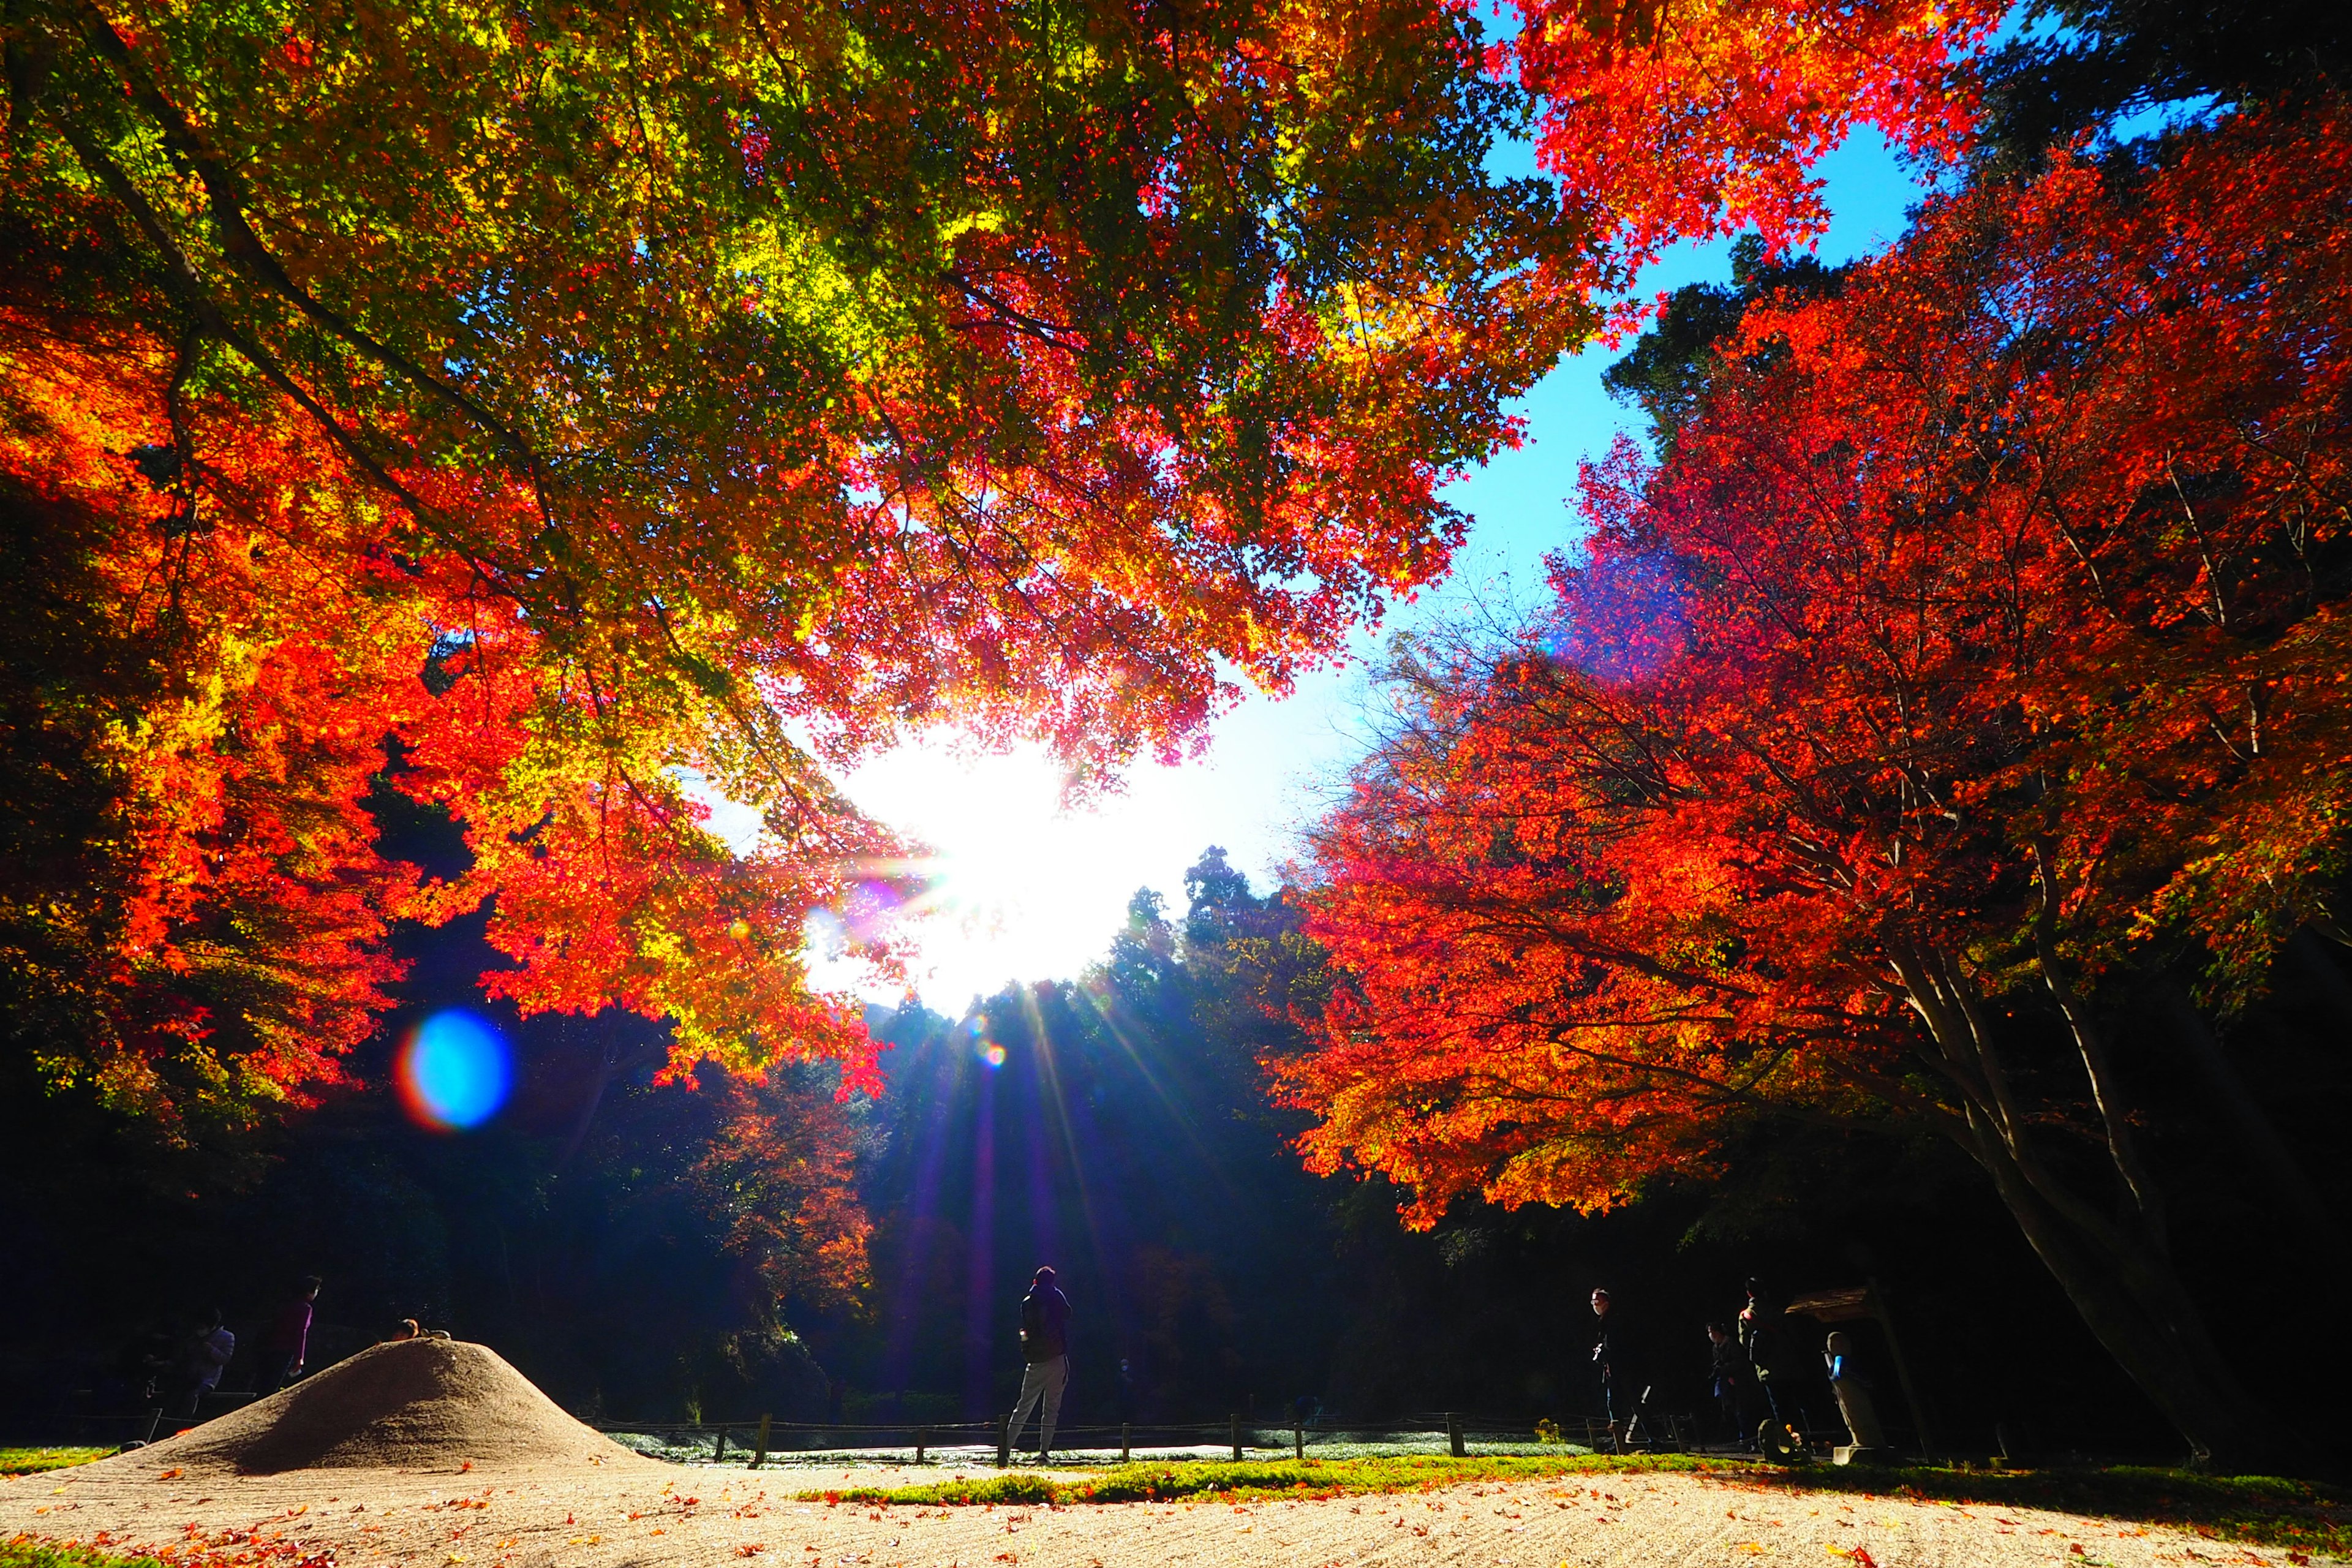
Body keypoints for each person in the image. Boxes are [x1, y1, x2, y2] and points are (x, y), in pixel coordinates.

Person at [1007, 1265, 1072, 1461]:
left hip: (1035, 1361)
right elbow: (1068, 1314)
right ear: (1051, 1282)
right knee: (1051, 1408)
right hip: (1057, 1358)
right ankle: (1044, 1452)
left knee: (1024, 1406)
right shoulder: (1056, 1297)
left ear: (1035, 1281)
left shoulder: (1027, 1303)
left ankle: (1006, 1447)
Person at [1824, 1330, 1888, 1452]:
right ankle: (1858, 1439)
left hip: (1854, 1395)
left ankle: (1866, 1440)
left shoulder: (1842, 1361)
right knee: (1851, 1417)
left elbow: (1838, 1375)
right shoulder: (1840, 1361)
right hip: (1845, 1395)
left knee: (1859, 1416)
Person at [258, 1276, 322, 1394]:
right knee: (273, 1385)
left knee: (263, 1382)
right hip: (284, 1350)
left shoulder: (285, 1304)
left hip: (268, 1346)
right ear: (309, 1292)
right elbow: (300, 1332)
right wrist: (300, 1357)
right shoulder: (305, 1308)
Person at [1589, 1288, 1634, 1452]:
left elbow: (1615, 1345)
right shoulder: (1606, 1321)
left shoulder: (1613, 1321)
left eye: (1597, 1302)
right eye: (1592, 1302)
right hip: (1614, 1370)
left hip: (1621, 1370)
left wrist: (1603, 1352)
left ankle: (1652, 1439)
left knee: (1622, 1404)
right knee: (1615, 1403)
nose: (1594, 1306)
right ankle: (1618, 1442)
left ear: (1606, 1304)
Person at [176, 1309, 236, 1417]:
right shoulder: (192, 1337)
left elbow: (225, 1359)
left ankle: (184, 1422)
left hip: (207, 1379)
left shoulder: (227, 1337)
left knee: (192, 1396)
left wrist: (211, 1350)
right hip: (188, 1376)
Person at [1706, 1323, 1752, 1449]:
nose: (1710, 1335)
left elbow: (1740, 1362)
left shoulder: (1731, 1344)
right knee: (1728, 1411)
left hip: (1738, 1381)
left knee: (1742, 1411)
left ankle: (1747, 1440)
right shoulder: (1716, 1347)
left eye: (1712, 1332)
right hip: (1725, 1382)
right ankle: (1734, 1438)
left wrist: (1725, 1369)